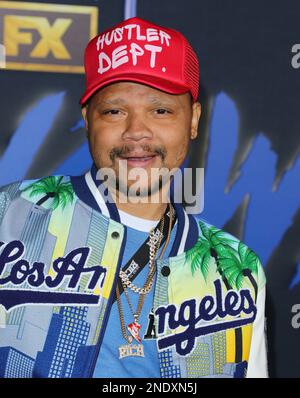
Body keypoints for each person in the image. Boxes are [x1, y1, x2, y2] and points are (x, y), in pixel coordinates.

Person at [0, 16, 267, 378]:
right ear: (88, 119)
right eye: (114, 110)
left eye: (160, 110)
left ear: (193, 120)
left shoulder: (237, 268)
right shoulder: (9, 216)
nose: (136, 131)